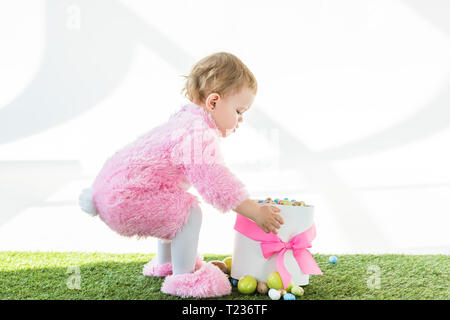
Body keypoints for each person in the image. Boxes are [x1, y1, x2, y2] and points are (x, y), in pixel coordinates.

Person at [79, 52, 284, 298]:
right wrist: (254, 211)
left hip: (109, 193)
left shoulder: (186, 120)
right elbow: (216, 182)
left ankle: (166, 264)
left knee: (171, 202)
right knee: (188, 212)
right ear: (214, 102)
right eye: (239, 111)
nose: (240, 120)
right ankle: (185, 279)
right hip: (123, 198)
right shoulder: (197, 133)